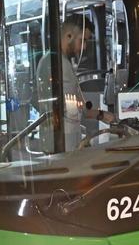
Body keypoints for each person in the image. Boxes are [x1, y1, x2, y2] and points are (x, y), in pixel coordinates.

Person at [35, 20, 115, 151]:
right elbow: (69, 106)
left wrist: (100, 115)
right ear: (68, 36)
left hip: (67, 140)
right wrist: (101, 115)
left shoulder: (62, 62)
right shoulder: (55, 63)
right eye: (82, 40)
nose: (84, 47)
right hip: (61, 144)